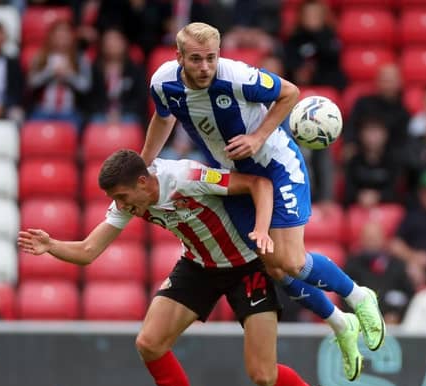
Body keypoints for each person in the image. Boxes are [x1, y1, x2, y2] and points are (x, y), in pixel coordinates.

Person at [18, 149, 352, 386]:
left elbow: (258, 184)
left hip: (247, 266)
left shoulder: (187, 177)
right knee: (149, 343)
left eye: (122, 197)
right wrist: (51, 246)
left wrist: (262, 231)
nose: (120, 206)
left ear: (144, 183)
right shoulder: (131, 200)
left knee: (263, 374)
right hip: (199, 266)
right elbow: (89, 251)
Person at [140, 22, 385, 359]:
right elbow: (163, 117)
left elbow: (290, 93)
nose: (205, 67)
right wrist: (144, 162)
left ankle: (358, 296)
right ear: (178, 56)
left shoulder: (237, 76)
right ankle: (341, 323)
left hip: (277, 167)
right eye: (196, 59)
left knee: (290, 259)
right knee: (271, 266)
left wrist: (257, 138)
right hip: (236, 180)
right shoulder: (163, 83)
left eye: (211, 58)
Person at [344, 222, 414, 325]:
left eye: (375, 238)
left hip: (394, 327)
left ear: (383, 239)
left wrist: (398, 315)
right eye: (368, 238)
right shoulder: (352, 265)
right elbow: (344, 296)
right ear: (361, 240)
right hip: (361, 325)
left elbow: (409, 295)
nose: (371, 242)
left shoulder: (397, 265)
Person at [27, 20, 91, 130]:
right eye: (58, 35)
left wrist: (69, 75)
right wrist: (50, 72)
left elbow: (86, 86)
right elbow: (32, 82)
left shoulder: (80, 58)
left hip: (69, 111)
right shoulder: (41, 56)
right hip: (44, 110)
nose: (61, 38)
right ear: (51, 37)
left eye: (65, 35)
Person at [343, 63, 409, 161]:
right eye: (384, 80)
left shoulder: (403, 113)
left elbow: (401, 142)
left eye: (391, 81)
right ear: (377, 82)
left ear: (400, 82)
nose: (388, 85)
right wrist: (351, 144)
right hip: (360, 154)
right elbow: (351, 128)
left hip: (389, 158)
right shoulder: (363, 104)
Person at [87, 28, 147, 124]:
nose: (112, 44)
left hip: (128, 114)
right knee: (95, 121)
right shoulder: (95, 70)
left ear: (124, 43)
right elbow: (91, 98)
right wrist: (106, 112)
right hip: (101, 114)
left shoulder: (135, 70)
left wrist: (121, 112)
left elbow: (140, 99)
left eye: (116, 40)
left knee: (130, 121)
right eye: (108, 41)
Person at [284, 0, 346, 90]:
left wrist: (318, 35)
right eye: (309, 14)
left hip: (328, 87)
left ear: (323, 16)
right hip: (300, 88)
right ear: (301, 16)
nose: (312, 18)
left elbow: (333, 58)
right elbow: (290, 64)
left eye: (316, 15)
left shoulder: (331, 37)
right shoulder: (294, 39)